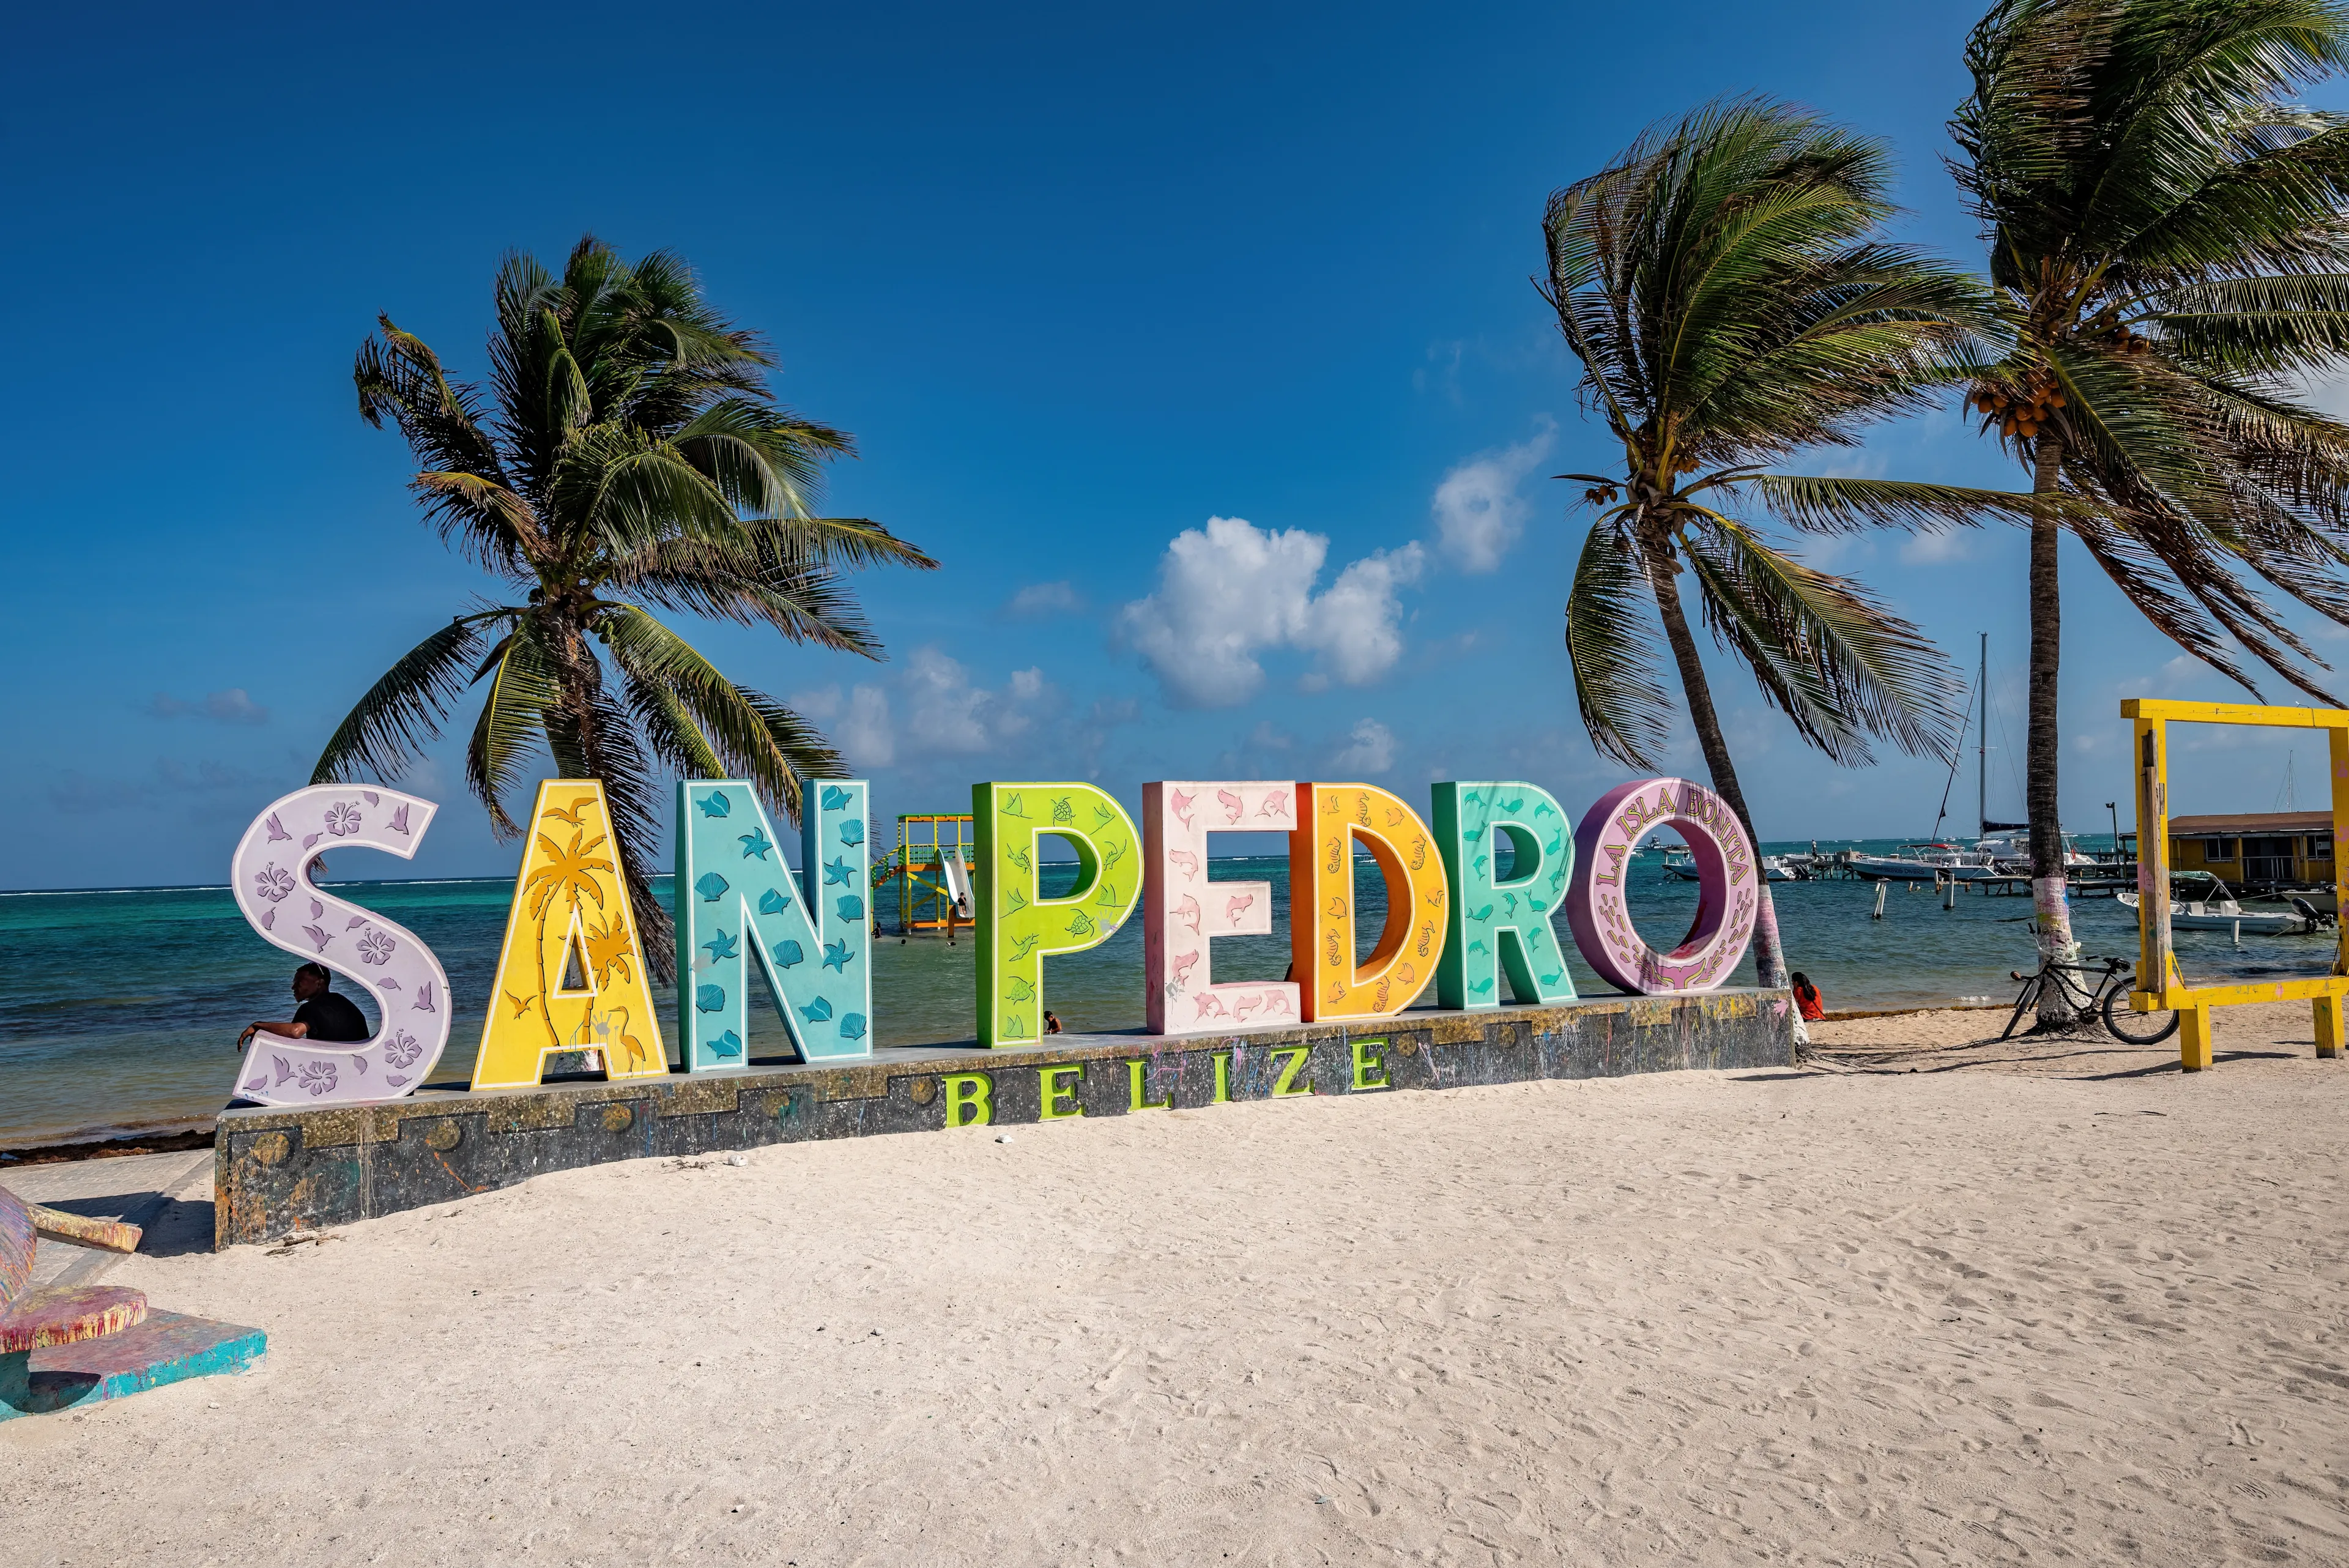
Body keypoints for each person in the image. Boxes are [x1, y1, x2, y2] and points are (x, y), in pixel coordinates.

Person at [237, 962, 369, 1049]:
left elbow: (295, 1031)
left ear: (319, 983)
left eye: (300, 982)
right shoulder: (344, 1002)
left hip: (334, 1067)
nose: (293, 987)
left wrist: (258, 1026)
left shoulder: (311, 1008)